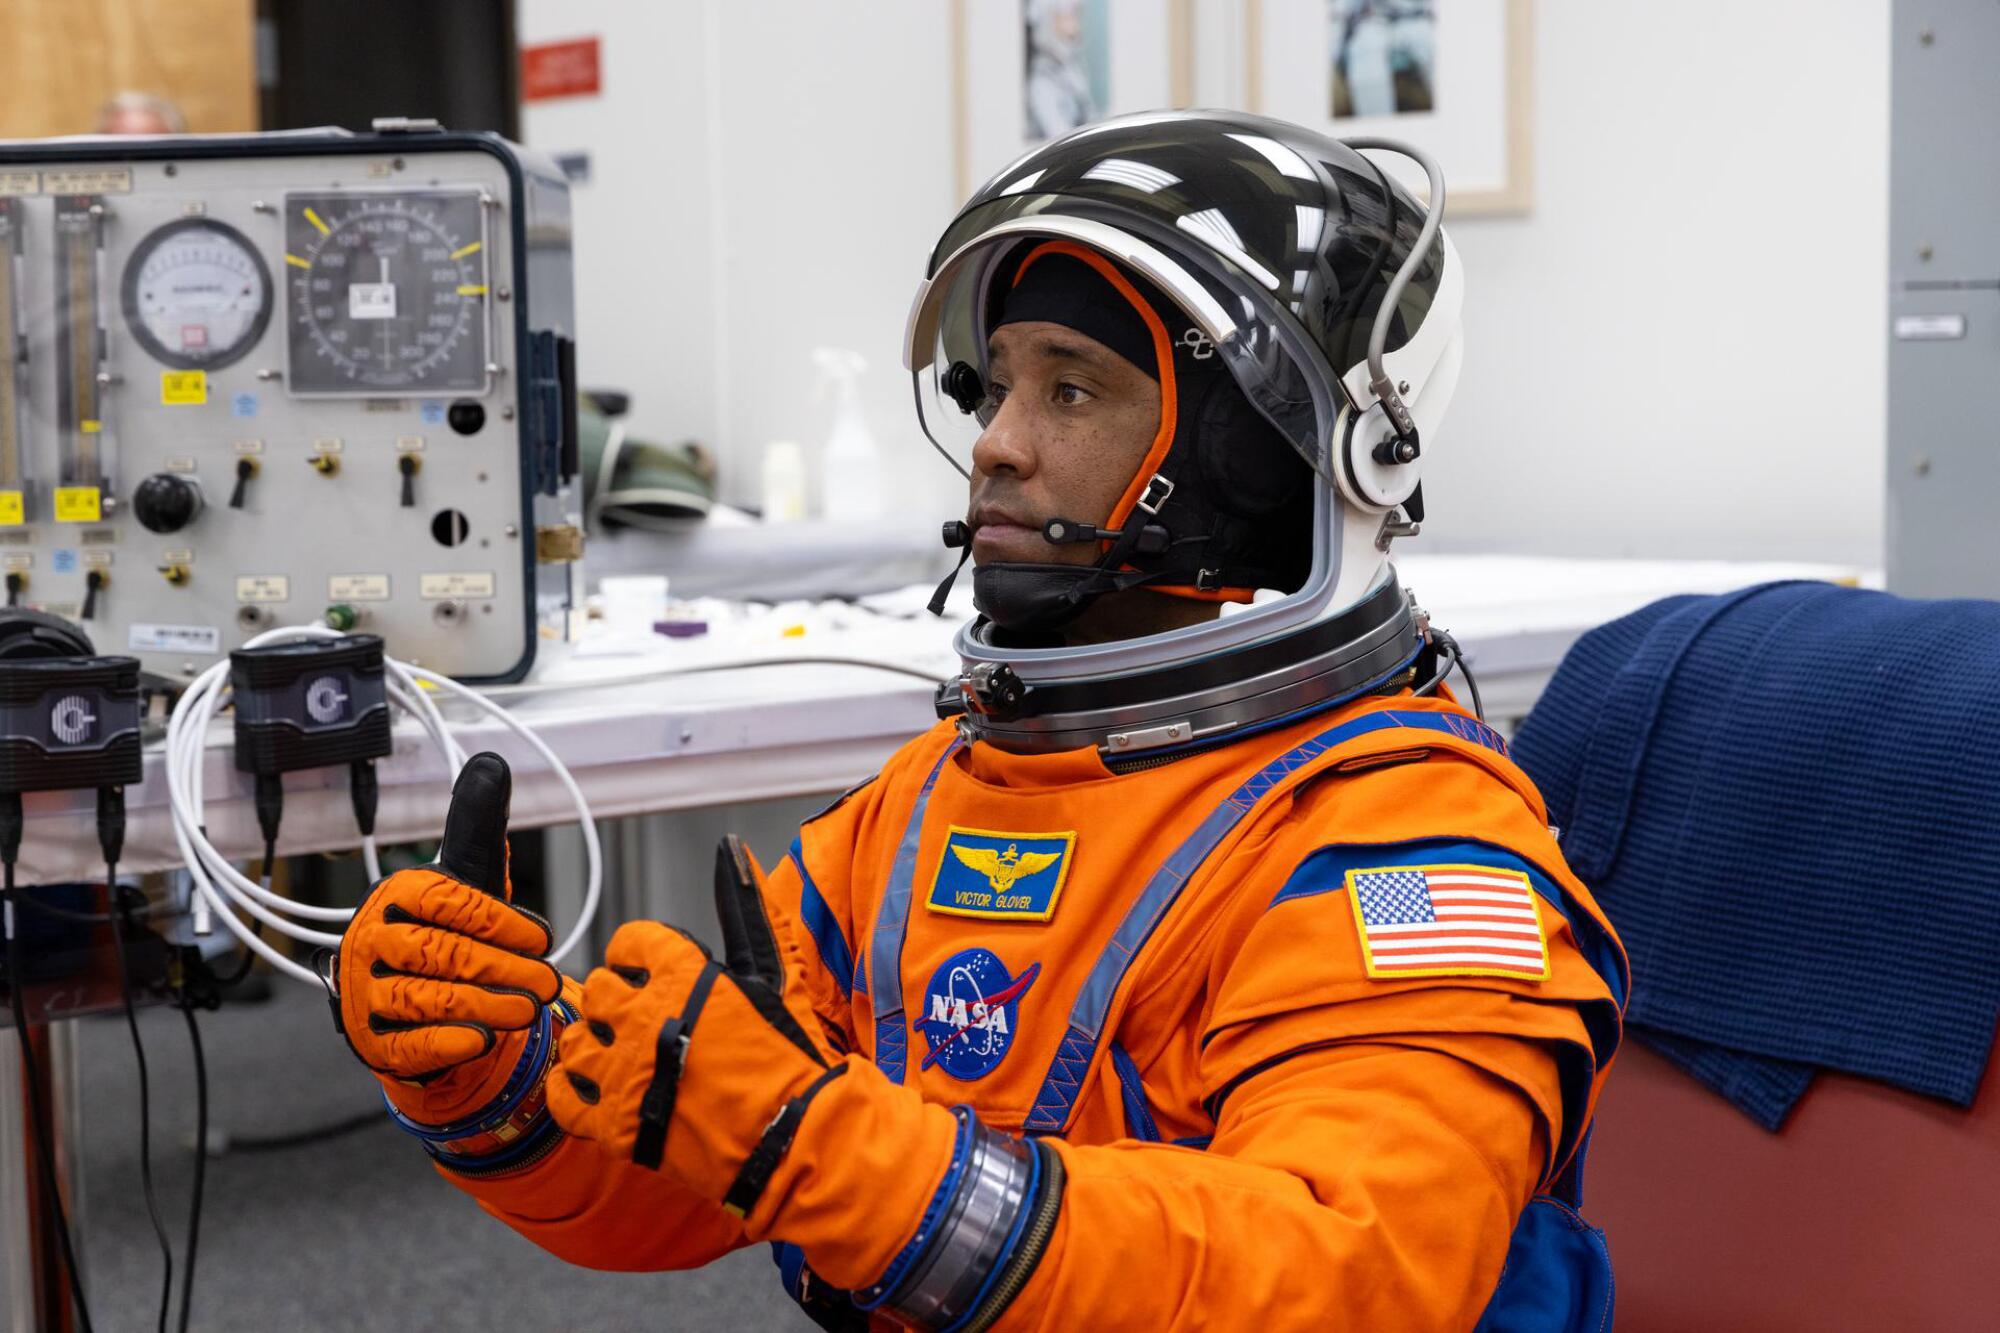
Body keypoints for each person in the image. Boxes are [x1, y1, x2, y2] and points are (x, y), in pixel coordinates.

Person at [326, 110, 1627, 1330]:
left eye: (1071, 389)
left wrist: (838, 1155)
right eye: (997, 384)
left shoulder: (1407, 847)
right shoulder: (929, 804)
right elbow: (703, 1157)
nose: (996, 442)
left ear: (1258, 452)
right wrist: (491, 1073)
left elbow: (1349, 1274)